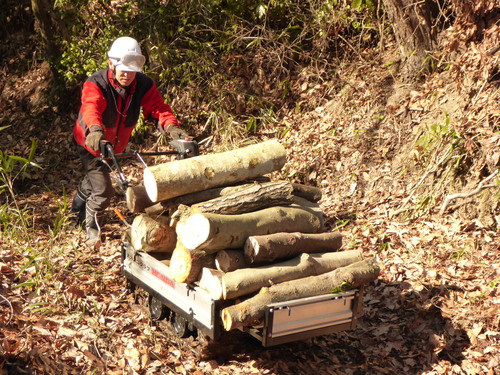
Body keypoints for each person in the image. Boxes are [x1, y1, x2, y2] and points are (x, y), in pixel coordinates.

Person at [71, 36, 188, 249]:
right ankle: (90, 227)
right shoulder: (96, 83)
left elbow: (157, 107)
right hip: (92, 143)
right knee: (104, 192)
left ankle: (76, 206)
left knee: (96, 180)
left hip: (116, 145)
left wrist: (172, 129)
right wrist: (95, 131)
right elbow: (91, 107)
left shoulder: (142, 85)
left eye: (131, 70)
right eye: (122, 68)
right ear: (111, 64)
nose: (126, 74)